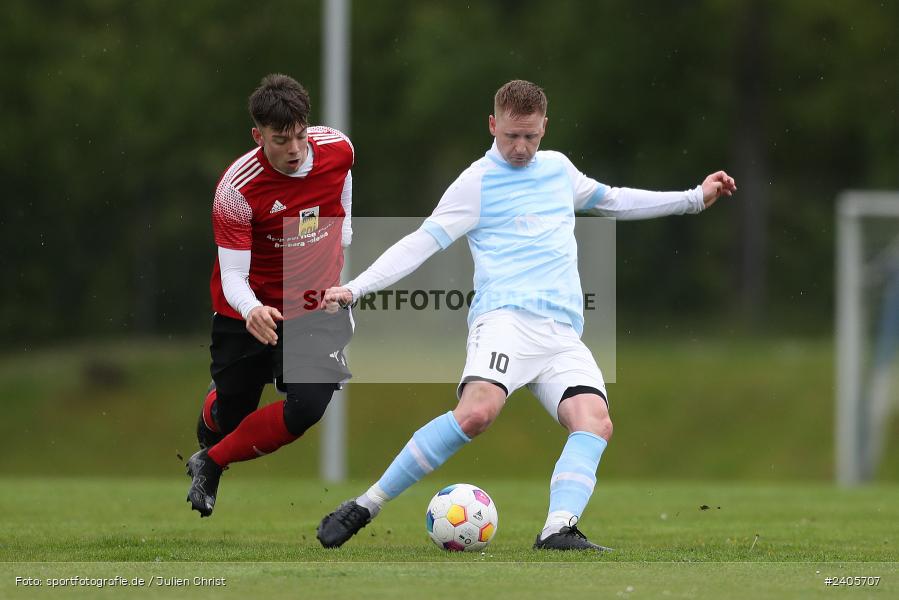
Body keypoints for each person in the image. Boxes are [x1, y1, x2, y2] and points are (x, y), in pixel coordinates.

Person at [316, 79, 735, 550]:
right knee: (477, 414)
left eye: (531, 136)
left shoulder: (558, 170)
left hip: (560, 334)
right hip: (505, 321)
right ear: (492, 125)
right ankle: (366, 503)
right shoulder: (475, 182)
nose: (520, 147)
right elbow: (421, 242)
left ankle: (558, 528)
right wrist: (355, 287)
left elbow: (614, 199)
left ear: (544, 129)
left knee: (594, 421)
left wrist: (694, 198)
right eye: (511, 135)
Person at [186, 73, 355, 517]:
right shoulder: (236, 190)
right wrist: (253, 309)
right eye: (281, 140)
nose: (296, 149)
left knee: (307, 407)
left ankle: (211, 464)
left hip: (314, 306)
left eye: (300, 135)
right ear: (257, 135)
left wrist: (345, 240)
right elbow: (232, 276)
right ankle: (214, 421)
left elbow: (342, 188)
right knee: (231, 418)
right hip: (247, 310)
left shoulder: (337, 148)